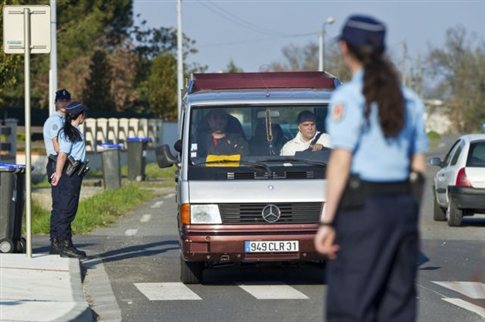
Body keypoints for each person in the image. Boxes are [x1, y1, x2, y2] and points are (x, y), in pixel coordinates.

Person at [313, 15, 428, 322]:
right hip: (402, 207)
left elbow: (341, 161)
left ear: (344, 47)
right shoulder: (411, 101)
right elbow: (418, 167)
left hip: (363, 208)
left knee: (351, 303)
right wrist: (412, 221)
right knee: (398, 304)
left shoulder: (348, 98)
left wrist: (327, 223)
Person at [50, 101, 89, 259]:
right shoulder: (68, 132)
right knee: (67, 210)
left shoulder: (72, 131)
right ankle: (65, 246)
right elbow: (62, 155)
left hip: (74, 175)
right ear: (80, 116)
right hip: (69, 176)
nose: (84, 117)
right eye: (83, 114)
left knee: (65, 209)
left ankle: (61, 243)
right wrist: (58, 174)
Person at [42, 88, 71, 255]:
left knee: (63, 204)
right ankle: (55, 242)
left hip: (61, 162)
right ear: (56, 102)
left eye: (67, 100)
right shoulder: (55, 121)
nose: (64, 103)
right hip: (56, 162)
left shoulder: (64, 119)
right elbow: (57, 146)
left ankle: (60, 241)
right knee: (59, 204)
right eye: (61, 100)